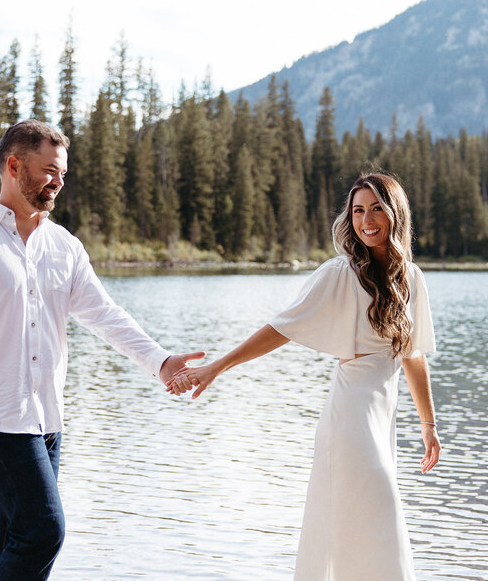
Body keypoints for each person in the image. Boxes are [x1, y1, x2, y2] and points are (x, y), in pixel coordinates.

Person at [0, 119, 203, 581]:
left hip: (48, 421)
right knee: (43, 531)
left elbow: (104, 314)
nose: (58, 182)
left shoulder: (64, 246)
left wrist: (161, 361)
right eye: (49, 171)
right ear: (13, 165)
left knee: (12, 536)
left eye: (63, 174)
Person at [169, 171, 440, 581]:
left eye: (377, 209)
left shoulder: (411, 278)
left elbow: (413, 355)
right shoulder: (340, 273)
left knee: (367, 524)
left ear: (395, 212)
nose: (366, 220)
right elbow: (282, 328)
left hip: (383, 417)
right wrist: (216, 367)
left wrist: (429, 424)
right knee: (377, 511)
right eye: (358, 211)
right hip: (350, 415)